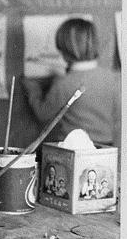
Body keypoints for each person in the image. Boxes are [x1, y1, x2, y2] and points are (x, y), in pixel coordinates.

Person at [23, 17, 120, 146]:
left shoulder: (64, 82)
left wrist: (33, 89)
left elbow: (43, 114)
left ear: (64, 50)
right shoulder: (113, 78)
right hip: (106, 147)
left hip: (73, 148)